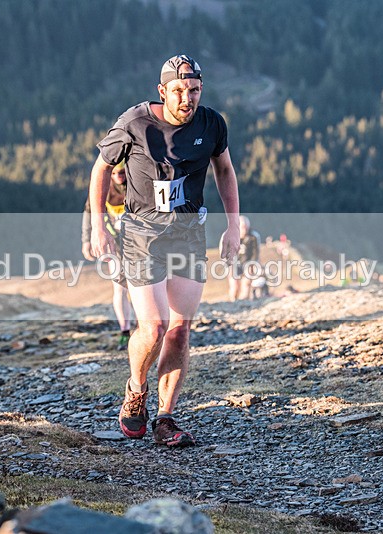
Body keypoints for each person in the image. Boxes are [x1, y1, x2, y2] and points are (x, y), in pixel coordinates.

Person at [89, 54, 240, 447]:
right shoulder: (136, 122)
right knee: (152, 327)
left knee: (179, 330)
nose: (186, 99)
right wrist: (97, 225)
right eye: (178, 91)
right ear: (162, 91)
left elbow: (224, 169)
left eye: (193, 90)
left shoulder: (211, 124)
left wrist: (233, 225)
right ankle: (136, 389)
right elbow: (101, 168)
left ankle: (165, 418)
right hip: (142, 232)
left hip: (189, 232)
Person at [81, 161, 134, 350]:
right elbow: (89, 212)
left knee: (142, 286)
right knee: (119, 288)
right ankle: (125, 331)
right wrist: (87, 240)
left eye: (121, 172)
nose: (118, 176)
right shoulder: (103, 185)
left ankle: (146, 327)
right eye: (114, 173)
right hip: (115, 244)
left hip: (138, 243)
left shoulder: (136, 181)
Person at [224, 215, 260, 301]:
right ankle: (233, 301)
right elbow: (224, 252)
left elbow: (255, 253)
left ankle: (244, 302)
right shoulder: (229, 235)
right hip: (234, 262)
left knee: (246, 283)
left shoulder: (253, 236)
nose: (244, 229)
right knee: (234, 286)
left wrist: (252, 265)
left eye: (246, 227)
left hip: (247, 262)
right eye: (242, 227)